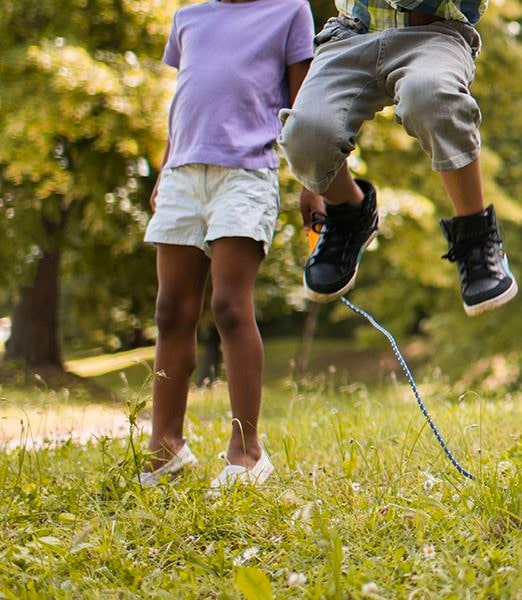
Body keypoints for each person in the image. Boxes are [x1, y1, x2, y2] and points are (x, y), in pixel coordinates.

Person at [280, 0, 522, 315]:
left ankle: (476, 233)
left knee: (430, 96)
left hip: (436, 35)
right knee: (305, 134)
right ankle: (350, 213)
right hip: (351, 34)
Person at [141, 0, 317, 488]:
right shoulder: (189, 18)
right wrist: (164, 169)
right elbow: (186, 100)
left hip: (245, 173)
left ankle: (246, 451)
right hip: (182, 174)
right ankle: (166, 446)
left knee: (229, 305)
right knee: (171, 309)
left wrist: (312, 182)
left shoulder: (290, 11)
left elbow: (305, 110)